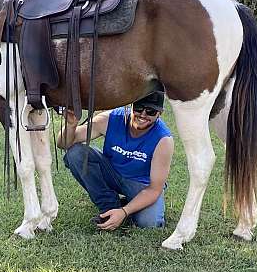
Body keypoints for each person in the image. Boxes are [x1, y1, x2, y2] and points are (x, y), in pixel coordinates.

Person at [57, 89, 174, 232]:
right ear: (131, 106)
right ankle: (109, 207)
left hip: (141, 185)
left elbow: (154, 189)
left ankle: (125, 206)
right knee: (75, 153)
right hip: (112, 174)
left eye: (150, 111)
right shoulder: (111, 119)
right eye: (139, 108)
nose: (143, 115)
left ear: (159, 114)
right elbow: (64, 144)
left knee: (149, 223)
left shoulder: (163, 140)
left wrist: (124, 212)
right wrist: (70, 125)